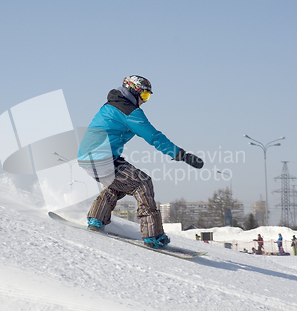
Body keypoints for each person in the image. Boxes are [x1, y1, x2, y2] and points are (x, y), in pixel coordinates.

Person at [78, 75, 204, 249]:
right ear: (134, 91)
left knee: (119, 183)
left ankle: (96, 219)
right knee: (142, 183)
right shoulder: (129, 111)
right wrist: (182, 155)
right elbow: (153, 136)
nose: (145, 101)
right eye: (144, 95)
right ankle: (153, 235)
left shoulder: (110, 105)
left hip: (90, 157)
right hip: (102, 159)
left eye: (148, 97)